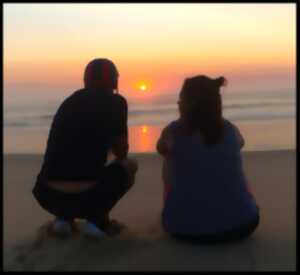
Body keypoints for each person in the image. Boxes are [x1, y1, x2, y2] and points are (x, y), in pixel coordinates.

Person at [32, 58, 138, 238]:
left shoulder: (68, 102)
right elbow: (121, 151)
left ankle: (63, 220)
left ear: (85, 81)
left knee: (69, 163)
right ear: (114, 81)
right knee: (129, 164)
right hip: (89, 197)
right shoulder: (117, 102)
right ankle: (97, 221)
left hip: (47, 194)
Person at [157, 75, 259, 244]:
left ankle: (183, 209)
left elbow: (161, 149)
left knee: (169, 160)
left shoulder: (173, 131)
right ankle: (233, 204)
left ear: (187, 104)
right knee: (225, 160)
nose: (178, 103)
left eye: (180, 99)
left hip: (184, 230)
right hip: (244, 225)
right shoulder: (230, 129)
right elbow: (240, 143)